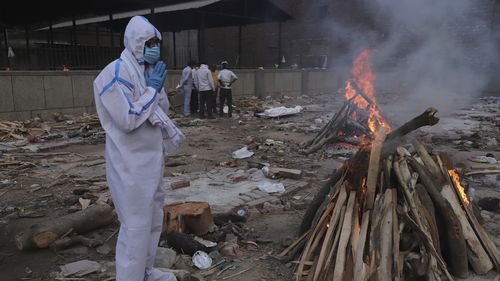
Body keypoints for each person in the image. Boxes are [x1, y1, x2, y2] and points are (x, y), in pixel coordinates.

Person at [93, 16, 184, 281]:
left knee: (153, 220)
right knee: (134, 226)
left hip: (152, 158)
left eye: (157, 42)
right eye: (149, 42)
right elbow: (128, 118)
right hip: (129, 163)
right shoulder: (115, 73)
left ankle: (145, 271)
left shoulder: (146, 72)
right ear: (135, 43)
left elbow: (161, 111)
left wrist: (156, 87)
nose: (155, 47)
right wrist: (152, 90)